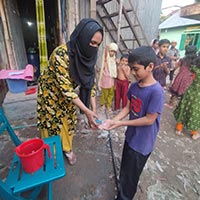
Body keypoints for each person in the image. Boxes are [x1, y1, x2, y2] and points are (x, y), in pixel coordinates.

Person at [99, 46, 164, 199]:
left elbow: (149, 119)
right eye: (131, 69)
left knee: (131, 178)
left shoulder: (156, 92)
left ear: (150, 67)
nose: (132, 73)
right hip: (131, 138)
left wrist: (122, 124)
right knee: (125, 170)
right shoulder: (134, 86)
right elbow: (128, 107)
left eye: (136, 69)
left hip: (142, 144)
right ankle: (122, 192)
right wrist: (113, 120)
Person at [37, 18, 103, 165]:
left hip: (68, 95)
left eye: (98, 45)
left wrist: (93, 109)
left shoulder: (89, 57)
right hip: (51, 93)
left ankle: (66, 148)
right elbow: (66, 89)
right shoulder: (61, 55)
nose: (94, 47)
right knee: (51, 122)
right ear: (82, 37)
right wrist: (86, 111)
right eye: (92, 42)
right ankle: (51, 151)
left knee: (68, 120)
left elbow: (89, 83)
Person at [174, 54, 200, 140]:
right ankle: (194, 133)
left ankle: (179, 129)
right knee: (195, 113)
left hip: (189, 92)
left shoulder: (194, 69)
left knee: (184, 108)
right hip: (198, 97)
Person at [98, 42, 119, 112]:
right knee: (104, 93)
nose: (112, 53)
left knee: (111, 94)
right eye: (111, 51)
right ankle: (102, 104)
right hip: (106, 79)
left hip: (112, 79)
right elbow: (106, 50)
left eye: (114, 52)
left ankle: (108, 105)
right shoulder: (106, 58)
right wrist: (108, 47)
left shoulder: (114, 59)